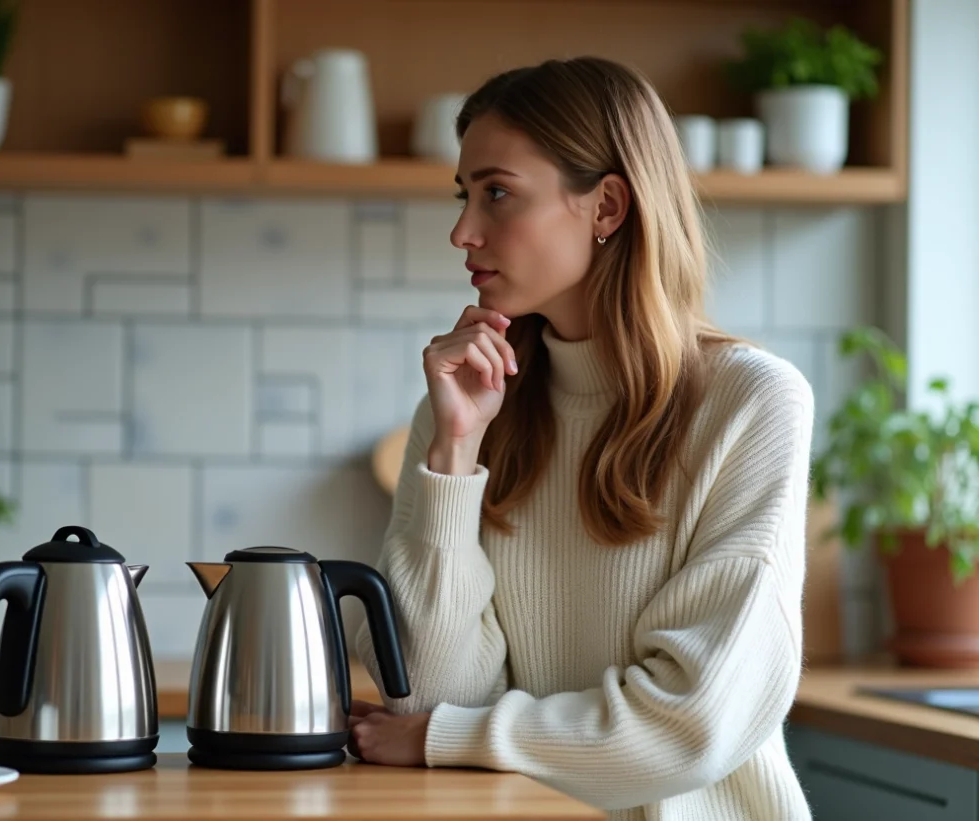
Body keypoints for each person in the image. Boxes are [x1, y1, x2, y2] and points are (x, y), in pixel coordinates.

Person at [349, 56, 815, 821]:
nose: (464, 231)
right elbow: (433, 688)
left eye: (497, 192)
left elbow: (688, 725)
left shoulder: (752, 404)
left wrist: (441, 736)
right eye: (465, 195)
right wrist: (454, 455)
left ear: (605, 206)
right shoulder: (467, 406)